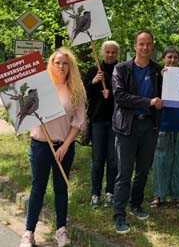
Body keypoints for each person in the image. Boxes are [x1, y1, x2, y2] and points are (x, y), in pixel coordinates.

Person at [19, 48, 86, 247]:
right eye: (57, 62)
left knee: (60, 188)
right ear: (51, 64)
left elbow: (78, 122)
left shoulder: (76, 90)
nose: (61, 66)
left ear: (70, 66)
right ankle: (29, 232)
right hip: (40, 145)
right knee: (37, 188)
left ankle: (61, 230)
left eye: (65, 63)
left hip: (64, 146)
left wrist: (65, 145)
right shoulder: (41, 88)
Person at [111, 30, 163, 234]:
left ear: (152, 46)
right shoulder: (121, 69)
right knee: (124, 174)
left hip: (149, 126)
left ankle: (135, 205)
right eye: (141, 44)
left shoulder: (159, 71)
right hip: (127, 127)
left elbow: (171, 92)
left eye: (149, 44)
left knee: (142, 171)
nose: (145, 47)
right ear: (135, 46)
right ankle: (119, 216)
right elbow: (120, 96)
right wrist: (148, 102)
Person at [150, 46, 179, 208]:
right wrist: (161, 80)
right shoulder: (157, 76)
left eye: (175, 57)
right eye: (169, 57)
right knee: (161, 160)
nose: (172, 60)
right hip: (163, 124)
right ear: (163, 59)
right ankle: (159, 195)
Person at [84, 40, 119, 209]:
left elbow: (126, 94)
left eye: (113, 52)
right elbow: (84, 95)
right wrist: (94, 82)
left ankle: (110, 193)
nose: (110, 55)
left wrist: (110, 94)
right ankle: (95, 193)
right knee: (97, 160)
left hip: (115, 121)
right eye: (107, 52)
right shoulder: (94, 70)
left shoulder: (122, 69)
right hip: (98, 121)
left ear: (117, 54)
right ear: (102, 53)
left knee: (113, 160)